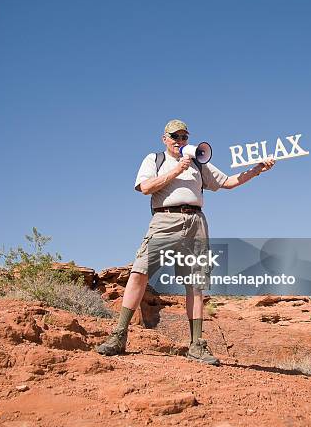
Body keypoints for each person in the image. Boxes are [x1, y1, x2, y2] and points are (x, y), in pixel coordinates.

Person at [96, 119, 275, 365]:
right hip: (165, 220)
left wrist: (256, 170)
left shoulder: (200, 165)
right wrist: (177, 170)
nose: (180, 141)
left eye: (184, 137)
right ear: (164, 139)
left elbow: (227, 183)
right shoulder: (155, 159)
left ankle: (197, 344)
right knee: (140, 272)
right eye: (175, 137)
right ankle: (119, 335)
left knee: (195, 284)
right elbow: (145, 187)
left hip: (196, 223)